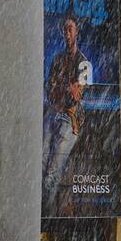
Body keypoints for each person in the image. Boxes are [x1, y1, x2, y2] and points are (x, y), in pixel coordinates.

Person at [43, 15, 89, 209]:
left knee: (52, 171)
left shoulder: (83, 62)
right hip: (53, 112)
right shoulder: (58, 59)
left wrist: (66, 89)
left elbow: (77, 95)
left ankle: (46, 214)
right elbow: (50, 90)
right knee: (40, 161)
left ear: (77, 32)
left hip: (69, 118)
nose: (67, 33)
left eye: (70, 29)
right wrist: (66, 87)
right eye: (65, 29)